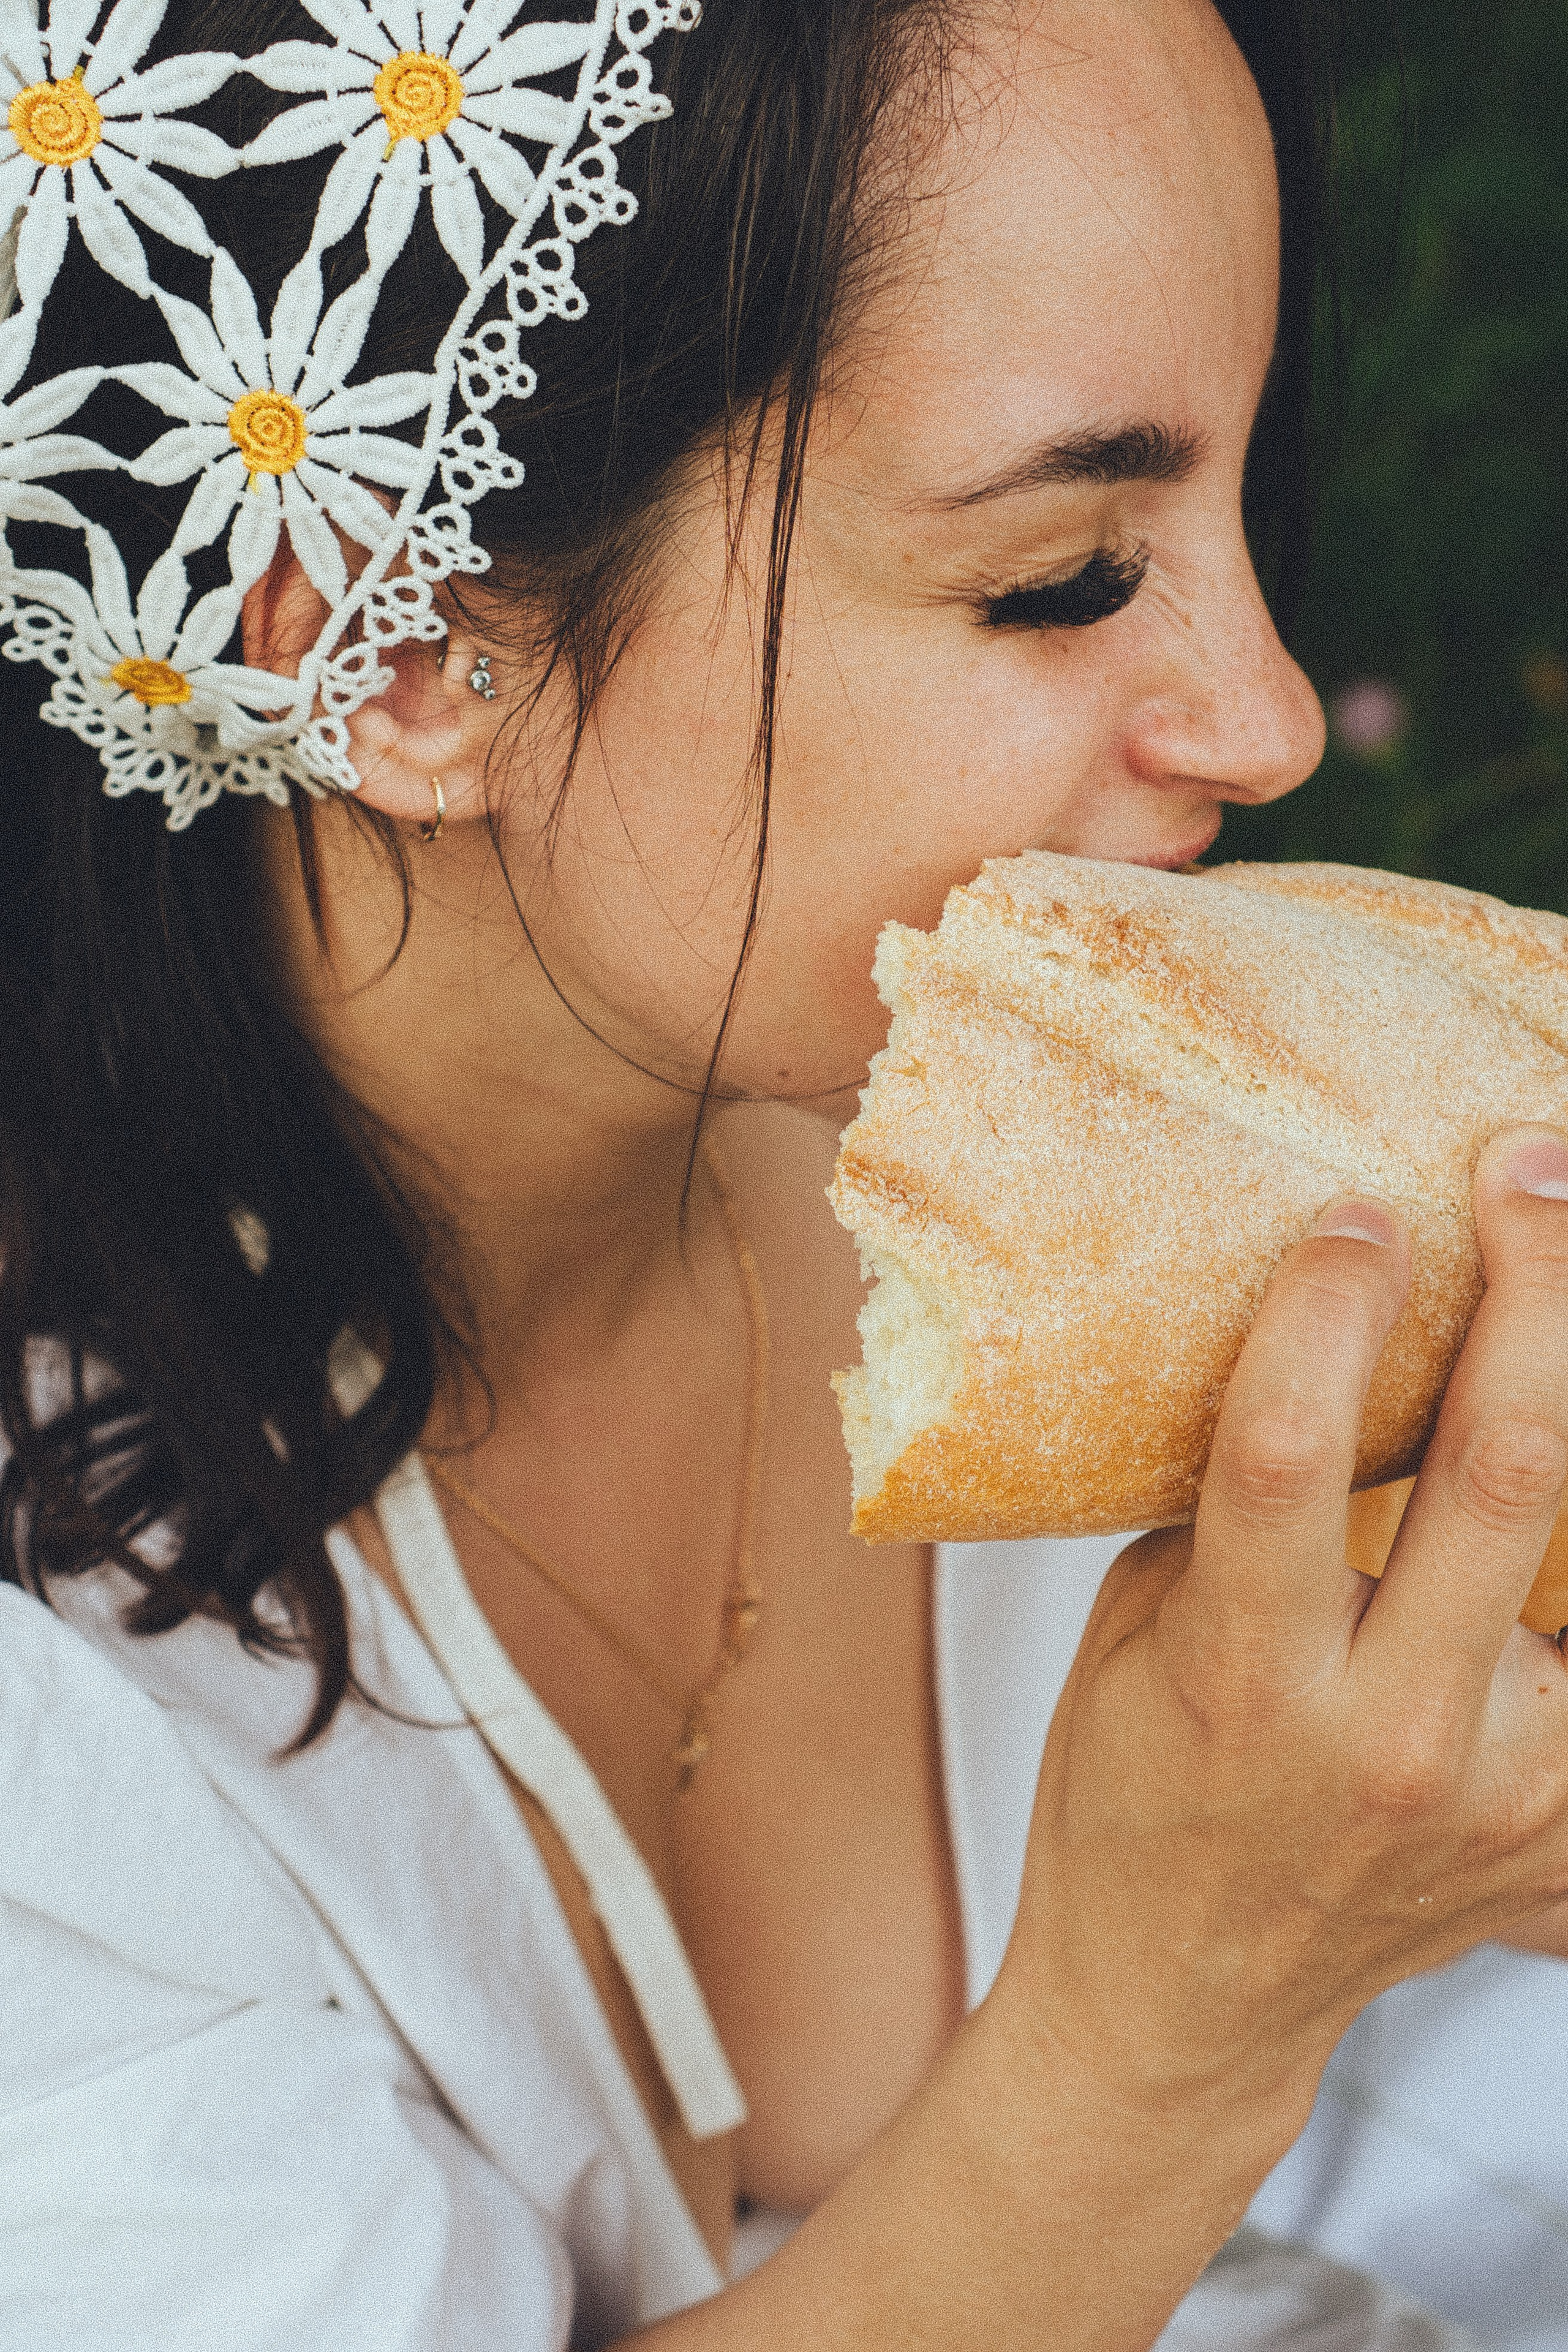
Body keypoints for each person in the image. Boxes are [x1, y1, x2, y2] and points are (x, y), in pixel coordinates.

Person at [2, 0, 1567, 2345]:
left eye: (1243, 508)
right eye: (1063, 574)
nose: (1263, 719)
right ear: (410, 660)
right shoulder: (54, 1728)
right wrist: (1173, 2026)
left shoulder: (1154, 1188)